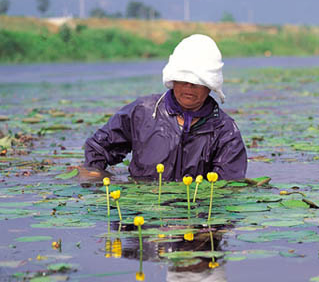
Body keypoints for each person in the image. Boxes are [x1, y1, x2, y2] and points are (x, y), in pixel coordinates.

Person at [82, 34, 247, 181]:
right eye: (183, 79)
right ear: (173, 79)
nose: (189, 86)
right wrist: (96, 176)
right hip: (144, 209)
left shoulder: (226, 132)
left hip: (196, 210)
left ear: (211, 86)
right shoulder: (143, 111)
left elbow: (229, 186)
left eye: (197, 82)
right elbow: (98, 148)